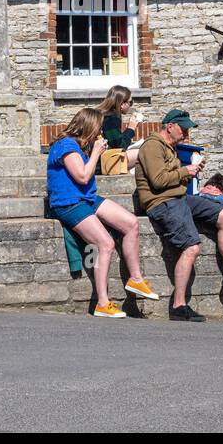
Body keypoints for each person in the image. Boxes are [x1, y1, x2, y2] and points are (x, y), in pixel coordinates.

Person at [135, 108, 223, 322]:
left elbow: (173, 181)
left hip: (179, 197)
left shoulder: (171, 147)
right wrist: (186, 172)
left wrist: (191, 171)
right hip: (161, 203)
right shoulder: (153, 146)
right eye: (183, 128)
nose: (185, 133)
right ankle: (179, 306)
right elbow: (157, 181)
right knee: (191, 246)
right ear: (170, 126)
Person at [46, 107, 159, 318]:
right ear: (88, 126)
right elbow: (81, 176)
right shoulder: (66, 145)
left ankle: (136, 279)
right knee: (105, 244)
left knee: (131, 223)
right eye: (98, 127)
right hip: (69, 203)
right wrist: (97, 153)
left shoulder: (80, 145)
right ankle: (102, 303)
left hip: (87, 198)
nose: (101, 132)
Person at [94, 85, 142, 174]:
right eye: (130, 102)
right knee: (143, 153)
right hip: (101, 164)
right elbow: (119, 146)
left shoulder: (101, 113)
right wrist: (131, 128)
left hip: (97, 160)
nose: (131, 105)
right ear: (122, 104)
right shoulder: (111, 118)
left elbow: (114, 142)